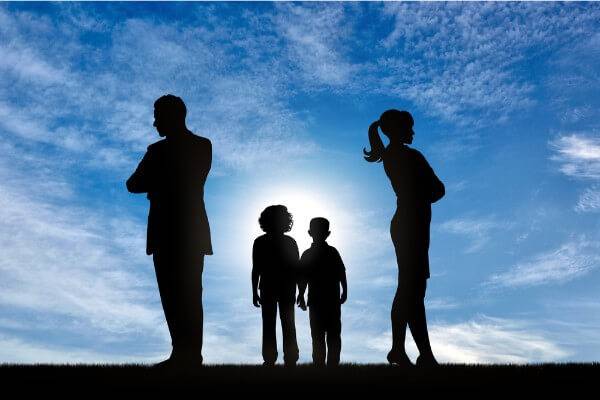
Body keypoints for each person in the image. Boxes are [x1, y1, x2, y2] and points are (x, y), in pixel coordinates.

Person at [126, 94, 212, 367]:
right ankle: (183, 353)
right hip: (177, 230)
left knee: (184, 293)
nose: (154, 123)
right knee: (176, 295)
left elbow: (139, 183)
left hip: (178, 229)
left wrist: (158, 182)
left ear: (172, 116)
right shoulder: (192, 147)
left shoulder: (169, 151)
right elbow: (132, 184)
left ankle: (188, 354)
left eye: (157, 116)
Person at [364, 109, 444, 367]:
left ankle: (405, 350)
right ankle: (419, 353)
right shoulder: (409, 156)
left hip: (408, 223)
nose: (412, 132)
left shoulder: (392, 156)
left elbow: (434, 190)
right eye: (408, 127)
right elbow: (437, 189)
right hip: (411, 225)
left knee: (409, 290)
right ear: (397, 130)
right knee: (412, 290)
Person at [252, 205, 300, 366]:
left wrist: (254, 291)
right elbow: (256, 268)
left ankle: (276, 358)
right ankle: (286, 359)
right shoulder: (288, 241)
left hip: (275, 287)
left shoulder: (261, 241)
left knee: (274, 323)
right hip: (276, 287)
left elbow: (256, 269)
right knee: (285, 323)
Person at [297, 217, 347, 367]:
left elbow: (341, 272)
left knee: (330, 335)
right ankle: (321, 365)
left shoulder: (330, 252)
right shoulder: (324, 252)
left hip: (328, 300)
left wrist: (345, 290)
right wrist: (301, 294)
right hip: (320, 300)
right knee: (320, 335)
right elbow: (303, 277)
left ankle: (330, 366)